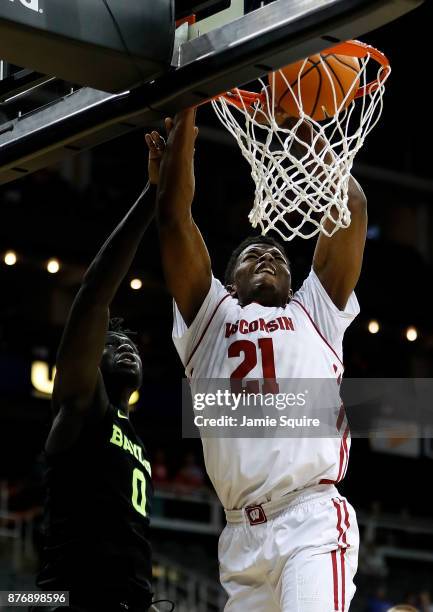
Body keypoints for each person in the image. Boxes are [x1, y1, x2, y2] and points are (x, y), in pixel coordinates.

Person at [156, 108, 367, 611]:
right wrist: (187, 114)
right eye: (253, 254)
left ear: (295, 284)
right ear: (230, 284)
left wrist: (319, 152)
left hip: (311, 519)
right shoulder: (209, 320)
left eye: (277, 256)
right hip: (240, 539)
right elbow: (173, 218)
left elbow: (352, 209)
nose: (268, 255)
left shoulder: (315, 310)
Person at [34, 129, 172, 612]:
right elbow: (94, 293)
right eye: (112, 343)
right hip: (61, 596)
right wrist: (152, 196)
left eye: (132, 341)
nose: (127, 347)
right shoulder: (79, 403)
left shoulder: (134, 435)